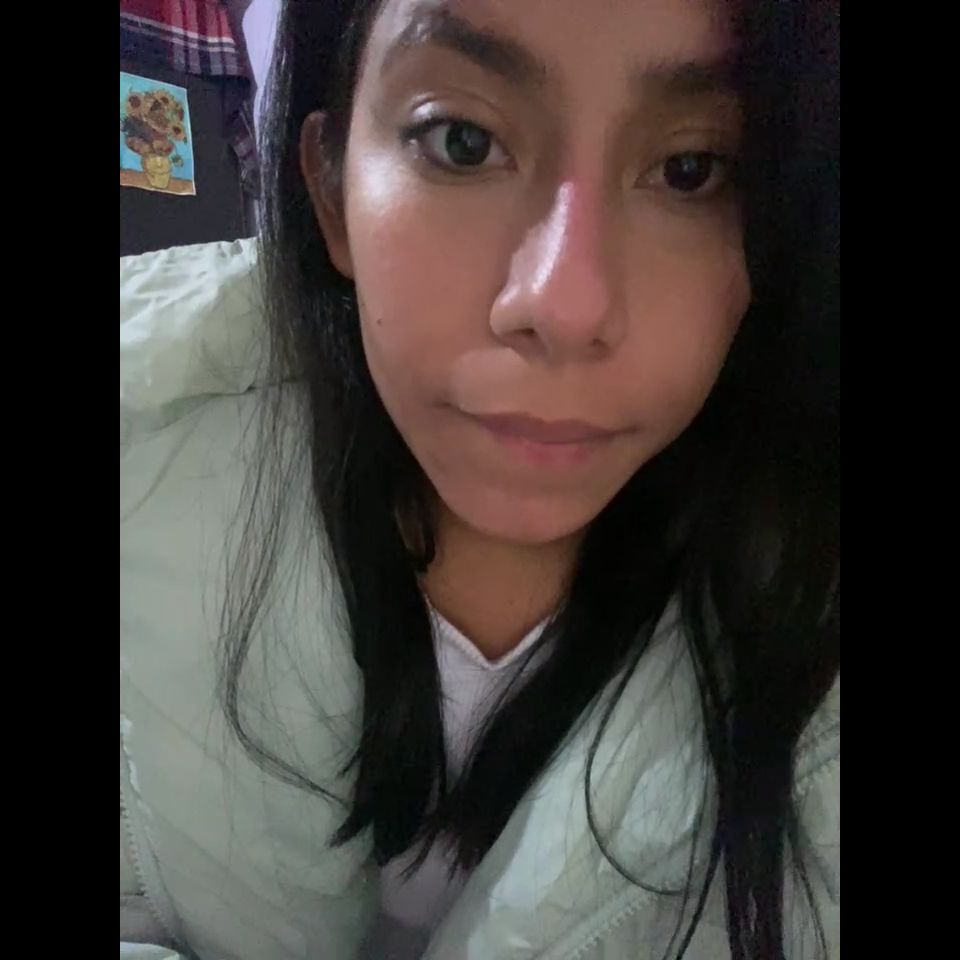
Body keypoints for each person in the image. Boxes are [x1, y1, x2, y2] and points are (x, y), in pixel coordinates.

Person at [119, 1, 840, 958]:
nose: (565, 304)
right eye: (461, 141)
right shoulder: (144, 443)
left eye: (691, 170)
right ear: (330, 191)